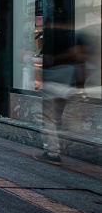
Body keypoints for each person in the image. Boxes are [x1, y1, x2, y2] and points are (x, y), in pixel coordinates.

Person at [34, 28, 90, 166]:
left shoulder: (53, 39)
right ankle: (60, 143)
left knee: (47, 118)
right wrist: (80, 86)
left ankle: (52, 152)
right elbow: (81, 61)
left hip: (54, 83)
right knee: (57, 118)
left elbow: (45, 61)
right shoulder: (75, 37)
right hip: (69, 85)